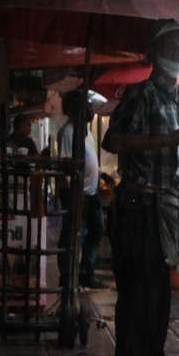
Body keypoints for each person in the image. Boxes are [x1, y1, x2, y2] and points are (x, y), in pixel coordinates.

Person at [102, 21, 179, 356]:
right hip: (136, 209)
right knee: (137, 298)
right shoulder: (141, 94)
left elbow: (170, 159)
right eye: (174, 43)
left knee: (158, 298)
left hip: (161, 209)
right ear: (155, 50)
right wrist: (171, 139)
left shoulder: (177, 99)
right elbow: (113, 140)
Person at [58, 88, 102, 288]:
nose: (91, 109)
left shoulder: (86, 131)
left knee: (96, 230)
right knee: (70, 235)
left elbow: (89, 160)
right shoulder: (68, 132)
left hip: (91, 192)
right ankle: (66, 276)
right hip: (75, 194)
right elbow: (66, 167)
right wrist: (72, 194)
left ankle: (86, 271)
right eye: (88, 105)